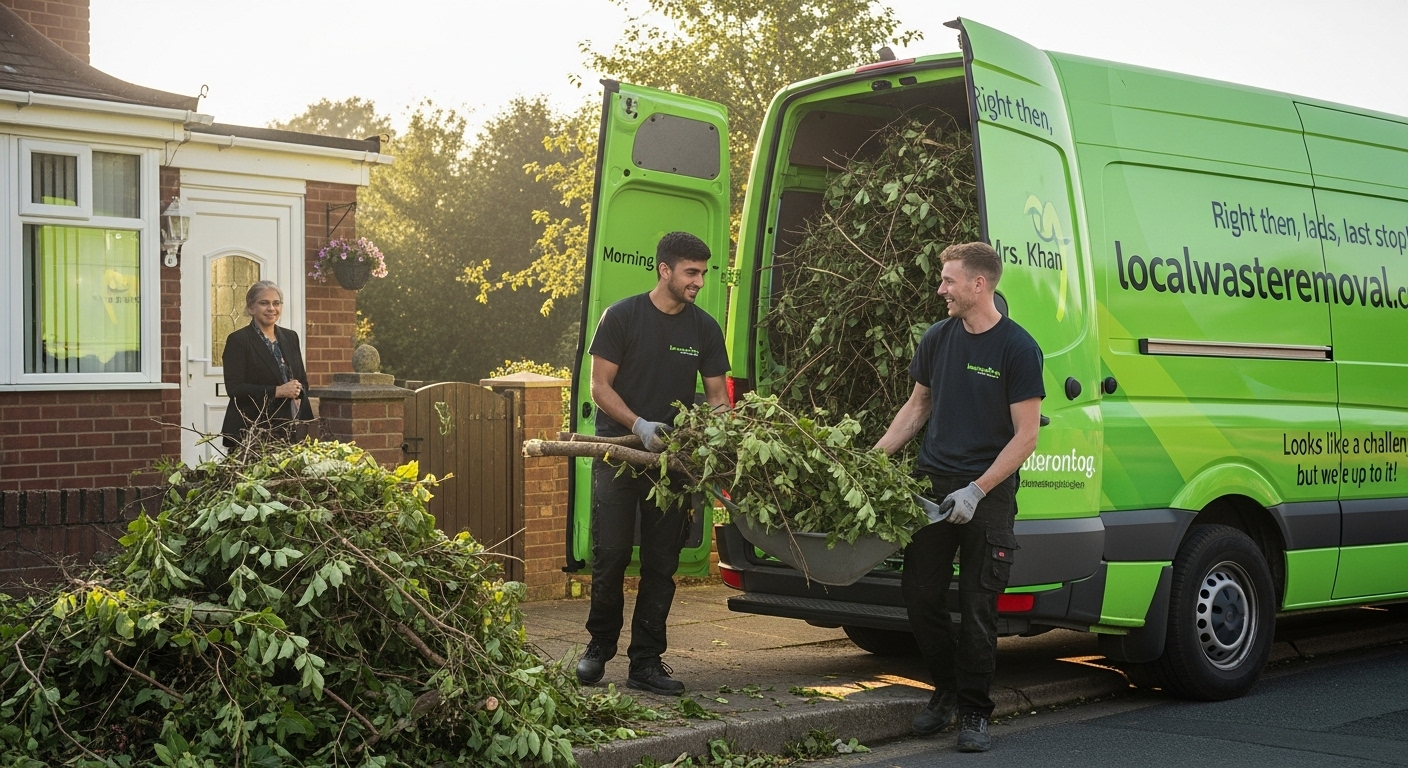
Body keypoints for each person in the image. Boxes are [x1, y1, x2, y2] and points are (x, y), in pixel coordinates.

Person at [874, 242, 1044, 753]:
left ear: (979, 284)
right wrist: (871, 462)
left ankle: (974, 711)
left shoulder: (1018, 348)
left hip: (987, 492)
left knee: (977, 605)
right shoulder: (938, 338)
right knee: (920, 596)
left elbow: (1026, 436)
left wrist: (978, 489)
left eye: (948, 280)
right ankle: (945, 690)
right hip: (933, 483)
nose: (940, 288)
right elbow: (916, 406)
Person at [576, 231, 730, 696]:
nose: (699, 281)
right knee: (612, 556)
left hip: (673, 463)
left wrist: (715, 441)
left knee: (662, 563)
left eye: (703, 273)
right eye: (691, 272)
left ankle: (646, 661)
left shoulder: (703, 328)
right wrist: (640, 425)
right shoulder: (621, 317)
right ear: (664, 269)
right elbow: (598, 387)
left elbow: (719, 397)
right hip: (619, 452)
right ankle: (598, 649)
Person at [220, 280, 313, 451]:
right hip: (251, 429)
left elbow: (301, 379)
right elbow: (235, 388)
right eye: (264, 303)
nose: (271, 308)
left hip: (288, 428)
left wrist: (299, 394)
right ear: (251, 308)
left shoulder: (290, 337)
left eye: (276, 303)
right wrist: (277, 391)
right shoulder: (238, 340)